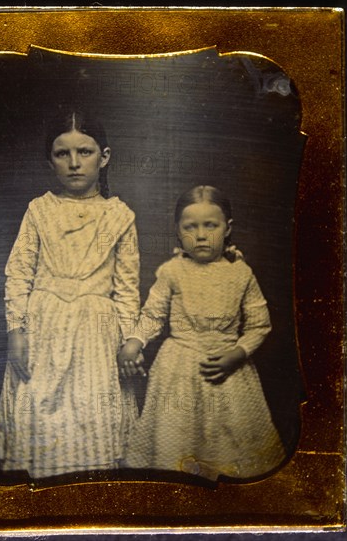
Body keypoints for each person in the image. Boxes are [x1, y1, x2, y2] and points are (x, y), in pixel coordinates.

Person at [0, 109, 144, 479]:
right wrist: (16, 331)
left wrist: (129, 342)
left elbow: (127, 290)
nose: (75, 163)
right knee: (40, 418)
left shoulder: (119, 216)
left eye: (85, 152)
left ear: (103, 157)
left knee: (92, 421)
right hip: (44, 330)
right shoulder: (39, 211)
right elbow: (18, 274)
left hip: (95, 337)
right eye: (63, 154)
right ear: (51, 161)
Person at [119, 185, 286, 480]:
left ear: (227, 228)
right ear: (177, 231)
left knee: (229, 447)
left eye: (210, 225)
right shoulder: (172, 271)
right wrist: (134, 341)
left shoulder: (241, 273)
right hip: (178, 372)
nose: (200, 235)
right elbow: (153, 315)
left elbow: (259, 324)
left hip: (229, 372)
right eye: (190, 227)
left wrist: (237, 354)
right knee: (177, 440)